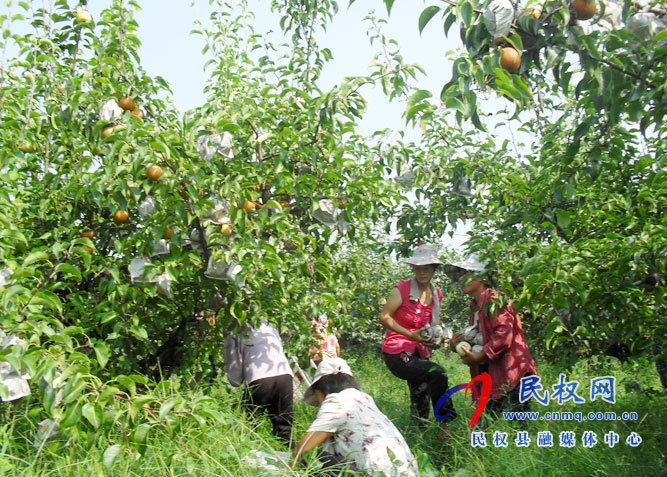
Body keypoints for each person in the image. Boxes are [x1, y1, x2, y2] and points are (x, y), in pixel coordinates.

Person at [292, 358, 420, 476]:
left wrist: (289, 469)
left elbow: (303, 449)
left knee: (313, 456)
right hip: (404, 472)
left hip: (373, 474)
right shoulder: (364, 399)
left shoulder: (335, 401)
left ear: (321, 389)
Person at [379, 243, 457, 437]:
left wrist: (432, 338)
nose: (422, 272)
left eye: (426, 268)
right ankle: (444, 425)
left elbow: (430, 324)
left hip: (418, 351)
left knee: (420, 391)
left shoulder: (436, 294)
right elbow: (385, 317)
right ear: (413, 268)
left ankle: (418, 434)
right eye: (418, 268)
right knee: (437, 372)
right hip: (399, 353)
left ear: (434, 270)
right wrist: (410, 335)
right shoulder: (403, 289)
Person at [446, 256, 538, 417]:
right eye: (460, 275)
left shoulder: (495, 300)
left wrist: (480, 355)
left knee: (517, 425)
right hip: (492, 375)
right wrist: (456, 346)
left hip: (512, 374)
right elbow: (480, 338)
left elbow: (503, 334)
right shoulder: (476, 305)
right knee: (486, 424)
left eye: (466, 274)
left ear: (481, 276)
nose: (461, 279)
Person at [223, 316, 294, 446]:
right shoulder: (268, 321)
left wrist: (237, 381)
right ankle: (291, 460)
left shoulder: (234, 329)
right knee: (284, 429)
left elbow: (234, 373)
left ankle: (250, 457)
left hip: (259, 378)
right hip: (285, 376)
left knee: (249, 427)